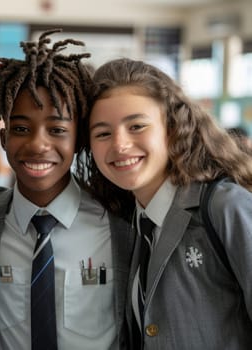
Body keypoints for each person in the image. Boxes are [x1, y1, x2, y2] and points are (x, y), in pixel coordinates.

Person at [0, 29, 131, 350]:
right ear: (3, 140)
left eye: (57, 129)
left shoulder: (119, 222)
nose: (38, 144)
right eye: (20, 129)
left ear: (79, 140)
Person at [81, 57, 252, 349]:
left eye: (136, 126)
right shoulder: (128, 221)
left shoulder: (225, 207)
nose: (119, 144)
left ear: (173, 127)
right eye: (103, 133)